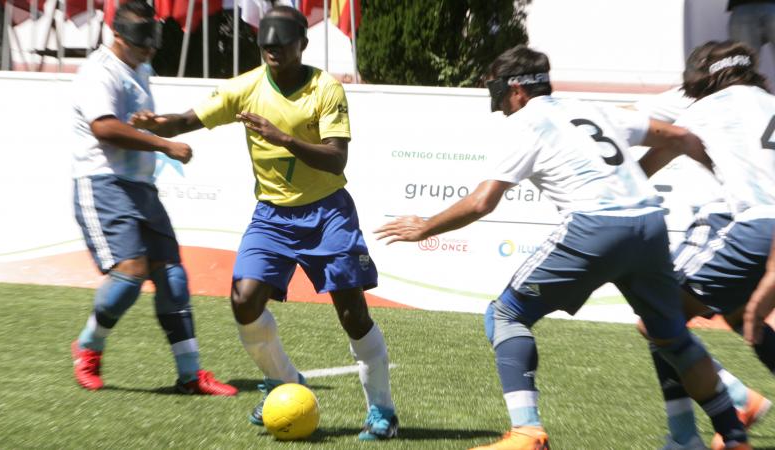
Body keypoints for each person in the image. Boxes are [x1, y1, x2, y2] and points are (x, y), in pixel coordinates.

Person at [375, 45, 750, 450]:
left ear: (517, 89)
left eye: (499, 91)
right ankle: (732, 434)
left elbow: (483, 201)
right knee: (671, 337)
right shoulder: (593, 108)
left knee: (505, 314)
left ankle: (526, 432)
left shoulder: (527, 123)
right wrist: (642, 179)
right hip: (648, 223)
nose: (498, 103)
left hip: (595, 226)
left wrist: (426, 226)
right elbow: (679, 137)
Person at [128, 6, 398, 441]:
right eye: (266, 46)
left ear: (302, 46)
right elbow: (187, 120)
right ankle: (285, 381)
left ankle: (383, 412)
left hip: (327, 212)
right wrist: (156, 125)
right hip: (271, 216)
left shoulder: (325, 89)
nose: (272, 52)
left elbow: (336, 158)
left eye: (281, 45)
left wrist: (284, 139)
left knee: (353, 315)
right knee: (244, 300)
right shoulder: (245, 87)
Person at [68, 0, 237, 397]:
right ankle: (88, 347)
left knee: (172, 277)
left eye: (153, 37)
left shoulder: (142, 68)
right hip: (103, 183)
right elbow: (105, 129)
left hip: (141, 188)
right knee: (129, 275)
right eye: (142, 40)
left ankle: (190, 374)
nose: (150, 47)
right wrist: (163, 143)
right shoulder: (98, 72)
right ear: (118, 35)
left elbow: (135, 122)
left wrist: (153, 126)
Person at [638, 40, 775, 450]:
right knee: (740, 317)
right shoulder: (769, 102)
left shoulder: (702, 107)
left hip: (750, 225)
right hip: (766, 228)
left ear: (701, 77)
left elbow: (643, 133)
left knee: (656, 316)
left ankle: (719, 411)